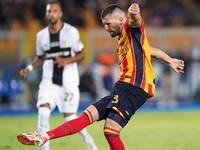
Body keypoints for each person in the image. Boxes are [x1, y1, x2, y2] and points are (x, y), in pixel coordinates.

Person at [17, 3, 184, 150]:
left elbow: (135, 21)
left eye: (107, 24)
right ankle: (44, 137)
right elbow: (150, 50)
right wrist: (170, 60)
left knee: (110, 129)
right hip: (122, 87)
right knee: (86, 116)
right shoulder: (125, 42)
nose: (105, 28)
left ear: (120, 20)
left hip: (133, 86)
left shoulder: (128, 28)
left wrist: (134, 12)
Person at [19, 0, 97, 150]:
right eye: (49, 11)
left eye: (55, 11)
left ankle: (88, 139)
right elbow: (40, 57)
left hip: (69, 82)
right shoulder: (41, 36)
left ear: (60, 14)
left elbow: (82, 54)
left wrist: (67, 60)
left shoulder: (71, 32)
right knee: (42, 112)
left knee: (70, 117)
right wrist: (29, 68)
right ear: (46, 14)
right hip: (49, 81)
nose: (52, 14)